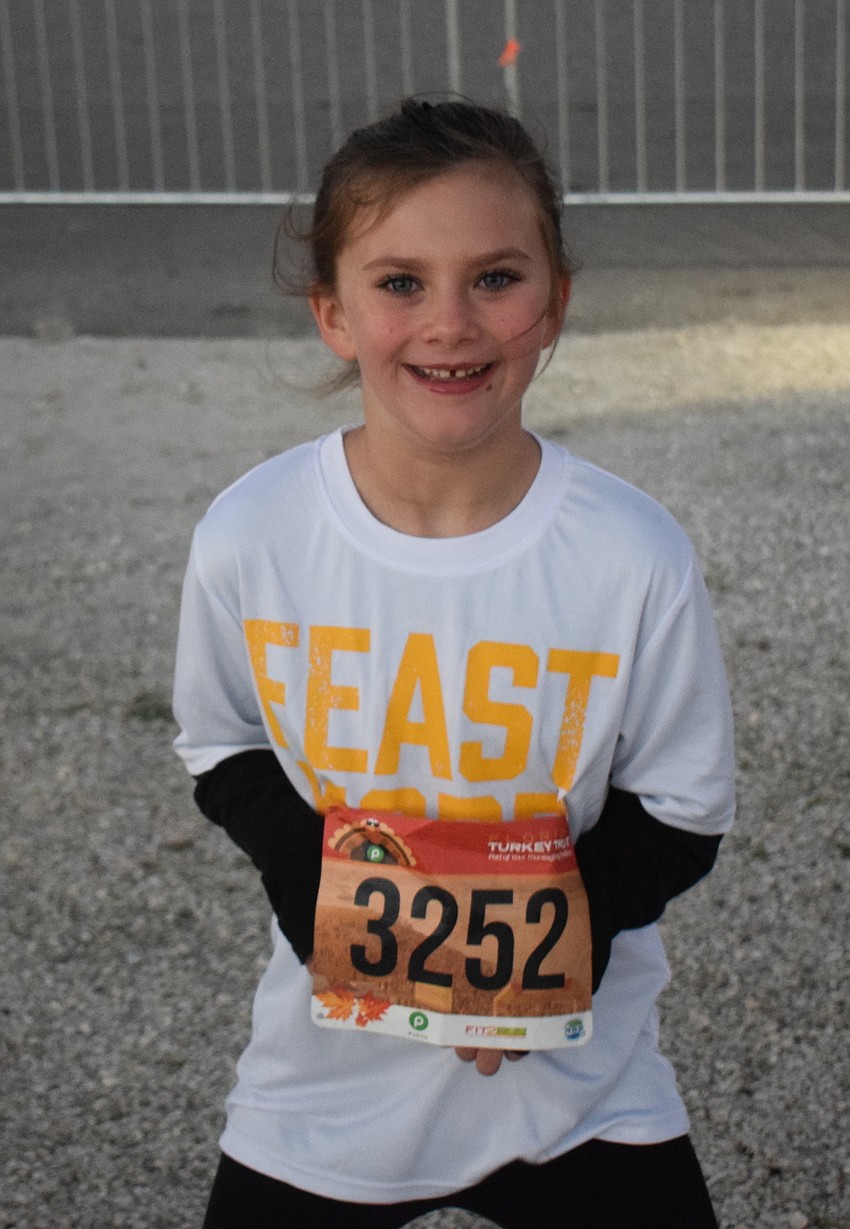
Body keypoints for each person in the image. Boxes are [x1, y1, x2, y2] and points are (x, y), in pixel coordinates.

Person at [173, 98, 735, 1229]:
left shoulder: (629, 555)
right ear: (332, 312)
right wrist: (326, 909)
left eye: (495, 277)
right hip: (324, 1086)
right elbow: (223, 742)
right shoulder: (254, 532)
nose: (450, 323)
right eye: (398, 283)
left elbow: (680, 812)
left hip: (578, 1081)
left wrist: (515, 967)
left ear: (555, 301)